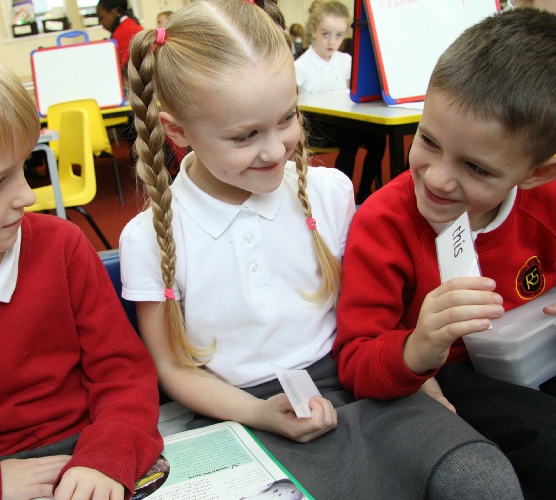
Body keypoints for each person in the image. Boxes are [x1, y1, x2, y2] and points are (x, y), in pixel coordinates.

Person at [120, 0, 522, 498]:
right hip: (239, 411)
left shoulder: (330, 193)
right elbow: (173, 368)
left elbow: (371, 316)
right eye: (245, 135)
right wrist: (258, 412)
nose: (275, 149)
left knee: (482, 479)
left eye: (286, 118)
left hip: (358, 386)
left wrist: (413, 375)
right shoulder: (148, 237)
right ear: (178, 131)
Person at [0, 30, 163, 499]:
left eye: (24, 168)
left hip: (90, 454)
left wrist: (106, 457)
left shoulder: (62, 247)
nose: (28, 196)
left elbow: (123, 375)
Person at [333, 8, 556, 500]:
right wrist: (418, 347)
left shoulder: (545, 199)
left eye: (476, 168)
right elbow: (353, 360)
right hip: (449, 378)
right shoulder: (383, 224)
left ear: (536, 173)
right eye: (427, 140)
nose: (435, 178)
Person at [295, 1, 386, 203]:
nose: (332, 41)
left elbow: (351, 93)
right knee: (349, 141)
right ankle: (341, 197)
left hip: (344, 123)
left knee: (378, 139)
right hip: (317, 127)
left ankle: (364, 192)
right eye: (325, 34)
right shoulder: (302, 65)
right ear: (313, 30)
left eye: (339, 35)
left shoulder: (345, 60)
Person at [97, 0, 143, 76]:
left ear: (113, 13)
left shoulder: (125, 30)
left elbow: (119, 70)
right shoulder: (130, 24)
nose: (101, 23)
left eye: (101, 18)